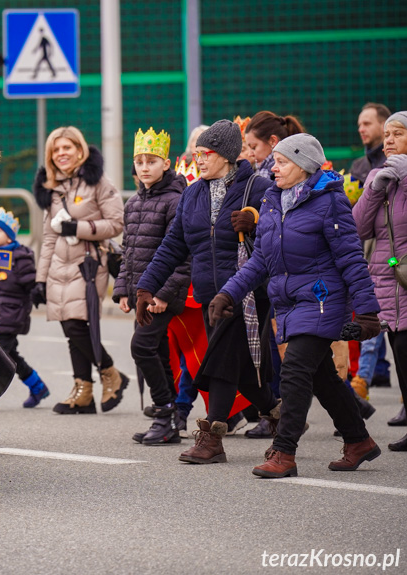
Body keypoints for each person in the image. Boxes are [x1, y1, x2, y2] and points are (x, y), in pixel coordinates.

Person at [213, 133, 382, 477]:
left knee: (293, 373)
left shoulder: (330, 203)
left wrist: (367, 313)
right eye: (274, 160)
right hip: (289, 303)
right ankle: (359, 440)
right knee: (322, 378)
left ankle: (284, 453)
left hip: (322, 300)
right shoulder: (273, 200)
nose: (273, 168)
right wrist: (228, 294)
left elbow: (351, 258)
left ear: (304, 165)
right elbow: (260, 260)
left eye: (282, 161)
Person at [137, 120, 281, 464]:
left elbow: (281, 234)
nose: (199, 159)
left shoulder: (258, 187)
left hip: (246, 294)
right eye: (197, 153)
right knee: (242, 369)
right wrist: (146, 286)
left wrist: (257, 222)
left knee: (216, 362)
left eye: (207, 153)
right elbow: (173, 245)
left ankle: (211, 438)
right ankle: (279, 415)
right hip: (207, 295)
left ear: (229, 155)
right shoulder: (193, 192)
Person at [32, 126, 128, 414]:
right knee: (70, 325)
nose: (62, 154)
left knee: (75, 324)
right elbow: (49, 236)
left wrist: (80, 228)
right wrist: (40, 279)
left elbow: (116, 223)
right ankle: (83, 390)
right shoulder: (51, 186)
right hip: (58, 266)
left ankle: (110, 372)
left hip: (88, 264)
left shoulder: (97, 181)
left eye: (67, 148)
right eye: (56, 149)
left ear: (80, 149)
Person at [114, 128, 189, 443]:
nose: (144, 167)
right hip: (141, 294)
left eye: (152, 161)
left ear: (167, 163)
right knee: (156, 351)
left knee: (141, 347)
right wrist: (122, 290)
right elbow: (127, 252)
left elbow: (183, 256)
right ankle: (170, 421)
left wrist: (162, 294)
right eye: (139, 161)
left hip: (161, 295)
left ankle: (163, 410)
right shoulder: (133, 204)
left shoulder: (175, 201)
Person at [353, 110, 407, 451]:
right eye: (386, 135)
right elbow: (358, 228)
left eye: (397, 134)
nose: (388, 141)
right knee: (402, 357)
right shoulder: (382, 177)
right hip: (391, 287)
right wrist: (375, 188)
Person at [0, 207, 48, 410]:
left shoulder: (21, 256)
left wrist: (39, 290)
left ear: (9, 235)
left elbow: (31, 283)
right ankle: (37, 386)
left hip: (10, 316)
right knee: (10, 357)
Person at [244, 111, 304, 179]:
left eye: (253, 147)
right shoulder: (258, 169)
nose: (250, 154)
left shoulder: (270, 173)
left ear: (273, 141)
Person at [350, 102, 390, 186]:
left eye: (366, 124)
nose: (360, 130)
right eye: (359, 125)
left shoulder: (399, 162)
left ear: (384, 125)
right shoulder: (357, 166)